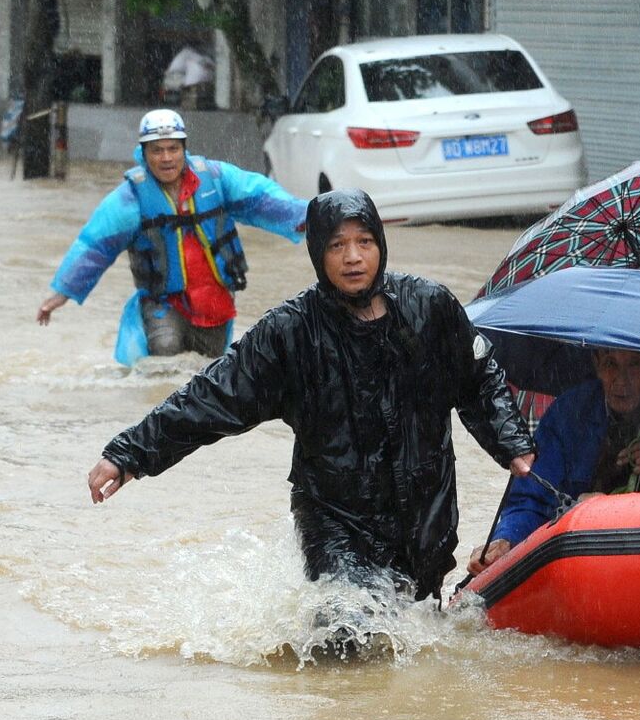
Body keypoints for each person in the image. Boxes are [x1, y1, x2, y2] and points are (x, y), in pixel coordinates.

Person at [85, 189, 535, 602]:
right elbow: (211, 396)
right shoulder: (290, 332)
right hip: (333, 517)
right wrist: (130, 454)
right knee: (346, 630)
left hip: (424, 512)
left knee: (413, 634)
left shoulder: (429, 307)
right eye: (337, 245)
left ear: (381, 244)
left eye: (364, 242)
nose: (353, 257)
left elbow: (480, 379)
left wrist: (513, 446)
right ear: (318, 253)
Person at [38, 108, 306, 365]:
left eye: (173, 148)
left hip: (214, 304)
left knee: (208, 373)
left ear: (184, 149)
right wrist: (63, 292)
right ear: (144, 153)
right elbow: (95, 246)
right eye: (157, 150)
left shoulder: (215, 178)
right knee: (165, 359)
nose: (166, 158)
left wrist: (304, 217)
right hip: (163, 304)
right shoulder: (130, 199)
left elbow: (260, 196)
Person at [469, 349, 640, 575]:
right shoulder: (568, 413)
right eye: (610, 364)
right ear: (596, 363)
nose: (621, 381)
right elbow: (531, 500)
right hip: (581, 558)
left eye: (635, 365)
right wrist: (506, 539)